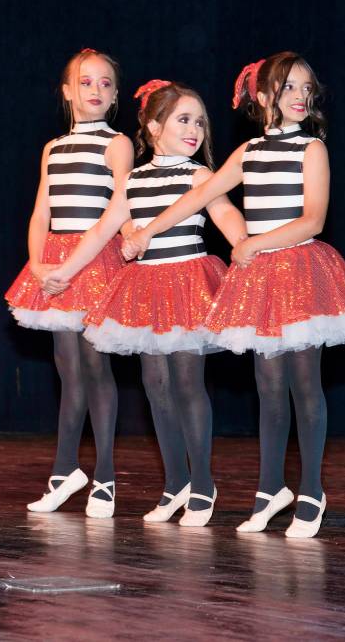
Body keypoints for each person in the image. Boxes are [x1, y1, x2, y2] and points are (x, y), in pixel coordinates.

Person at [124, 52, 345, 538]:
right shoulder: (247, 153)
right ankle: (270, 489)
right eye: (289, 88)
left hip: (300, 270)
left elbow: (313, 220)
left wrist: (252, 244)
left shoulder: (312, 150)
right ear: (263, 98)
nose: (301, 97)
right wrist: (145, 233)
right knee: (268, 387)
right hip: (262, 278)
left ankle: (311, 490)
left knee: (304, 385)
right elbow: (195, 199)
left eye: (307, 88)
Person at [44, 80, 247, 526]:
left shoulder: (198, 175)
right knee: (155, 385)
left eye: (199, 122)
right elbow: (101, 231)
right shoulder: (134, 179)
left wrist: (245, 243)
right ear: (154, 126)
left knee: (188, 382)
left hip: (188, 281)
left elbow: (225, 211)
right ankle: (175, 484)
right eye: (183, 120)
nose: (194, 130)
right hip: (147, 289)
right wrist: (65, 271)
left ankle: (204, 485)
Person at [5, 48, 133, 518]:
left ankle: (105, 476)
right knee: (68, 368)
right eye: (85, 82)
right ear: (67, 92)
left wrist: (72, 266)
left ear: (116, 94)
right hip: (56, 262)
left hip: (94, 261)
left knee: (96, 367)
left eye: (104, 83)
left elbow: (122, 206)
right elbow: (42, 210)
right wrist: (38, 263)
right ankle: (64, 470)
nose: (95, 90)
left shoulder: (117, 143)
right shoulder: (53, 148)